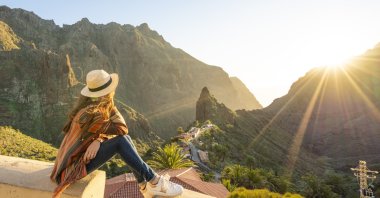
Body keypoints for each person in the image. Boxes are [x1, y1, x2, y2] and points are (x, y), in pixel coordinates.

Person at [50, 69, 184, 198]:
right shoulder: (92, 113)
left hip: (78, 158)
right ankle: (154, 181)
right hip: (71, 168)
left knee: (125, 139)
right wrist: (100, 138)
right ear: (105, 92)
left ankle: (144, 186)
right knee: (121, 142)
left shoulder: (98, 106)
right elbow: (121, 128)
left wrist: (98, 140)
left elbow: (121, 130)